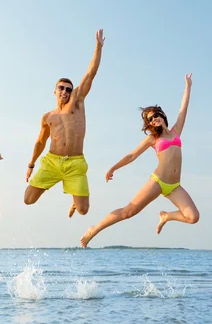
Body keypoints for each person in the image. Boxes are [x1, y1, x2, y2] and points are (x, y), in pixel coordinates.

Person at [80, 73, 200, 248]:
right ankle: (94, 229)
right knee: (128, 212)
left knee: (193, 217)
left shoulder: (175, 131)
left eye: (155, 115)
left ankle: (166, 216)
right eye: (150, 119)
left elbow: (183, 109)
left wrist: (188, 86)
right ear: (149, 124)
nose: (154, 119)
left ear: (162, 115)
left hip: (175, 186)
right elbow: (132, 155)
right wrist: (113, 168)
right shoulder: (153, 139)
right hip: (158, 181)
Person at [24, 29, 104, 218]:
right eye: (61, 88)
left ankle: (74, 200)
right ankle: (54, 181)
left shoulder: (77, 101)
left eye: (68, 89)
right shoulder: (47, 117)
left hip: (75, 164)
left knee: (83, 210)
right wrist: (31, 165)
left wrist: (98, 47)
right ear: (54, 91)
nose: (65, 91)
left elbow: (90, 73)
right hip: (51, 162)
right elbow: (40, 142)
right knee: (28, 200)